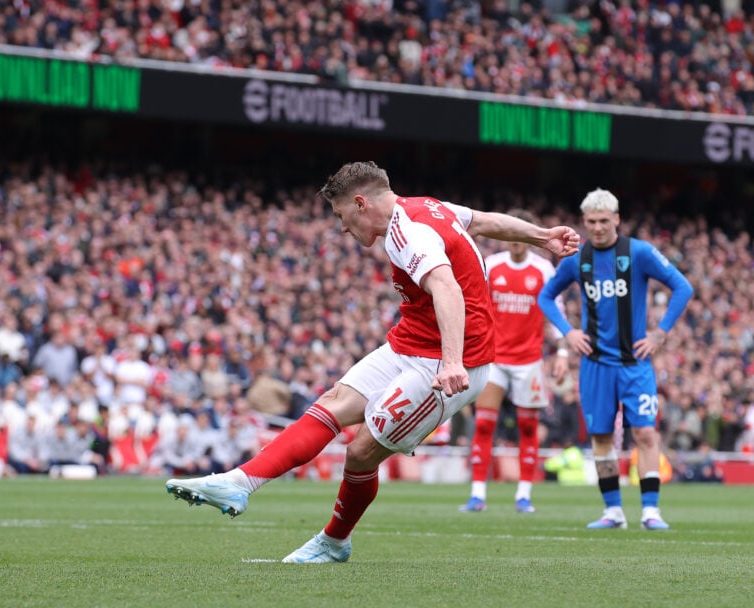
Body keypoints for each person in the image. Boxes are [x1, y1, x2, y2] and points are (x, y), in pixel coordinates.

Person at [166, 161, 579, 562]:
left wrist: (452, 362)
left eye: (342, 215)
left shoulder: (408, 233)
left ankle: (333, 541)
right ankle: (239, 483)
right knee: (331, 402)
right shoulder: (427, 206)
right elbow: (486, 221)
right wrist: (542, 236)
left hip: (448, 364)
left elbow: (447, 289)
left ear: (361, 203)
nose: (343, 227)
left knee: (360, 451)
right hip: (410, 344)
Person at [538, 189, 693, 530]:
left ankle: (651, 511)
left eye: (604, 221)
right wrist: (568, 331)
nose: (597, 228)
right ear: (584, 222)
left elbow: (682, 287)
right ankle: (614, 512)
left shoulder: (638, 253)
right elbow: (546, 296)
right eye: (591, 221)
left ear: (617, 219)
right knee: (601, 437)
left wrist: (661, 332)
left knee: (646, 434)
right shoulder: (577, 260)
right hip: (595, 366)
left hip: (634, 364)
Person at [458, 210, 560, 514]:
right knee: (484, 424)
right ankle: (477, 495)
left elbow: (555, 311)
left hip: (529, 360)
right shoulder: (492, 265)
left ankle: (524, 495)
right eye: (511, 234)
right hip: (495, 359)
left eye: (521, 234)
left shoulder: (543, 269)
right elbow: (476, 307)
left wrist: (564, 351)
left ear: (528, 236)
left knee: (528, 429)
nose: (516, 241)